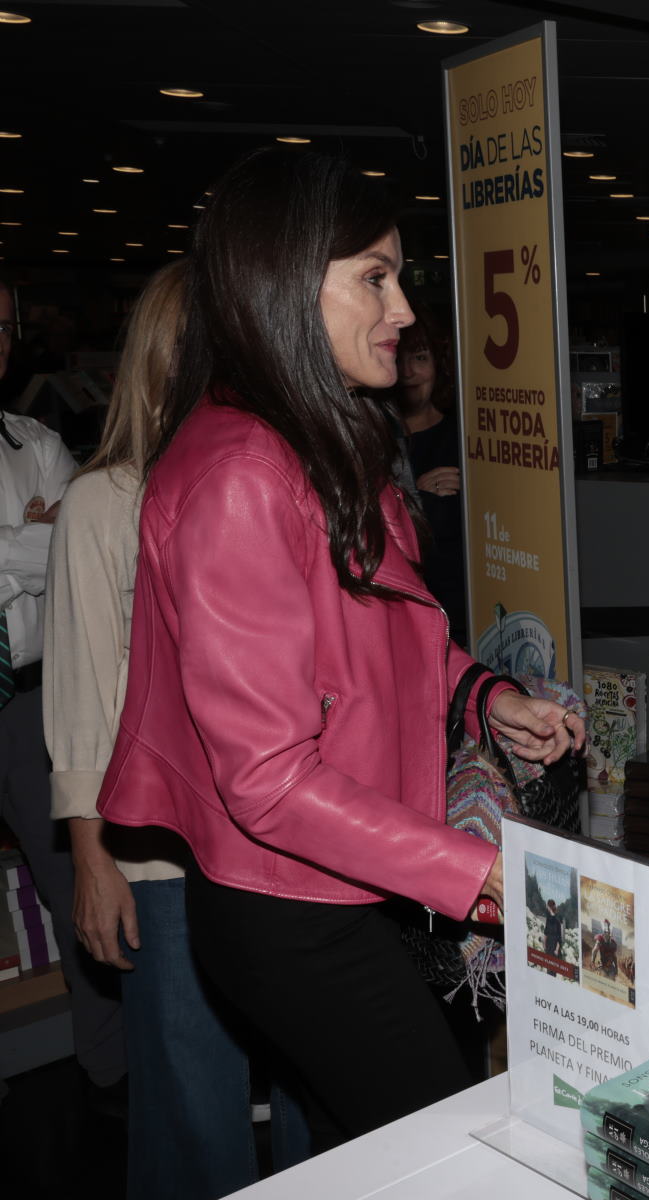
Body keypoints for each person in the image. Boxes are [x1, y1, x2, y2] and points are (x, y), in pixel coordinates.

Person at [95, 148, 585, 1151]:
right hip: (296, 905)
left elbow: (395, 641)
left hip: (362, 877)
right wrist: (470, 871)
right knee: (449, 1148)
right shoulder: (240, 472)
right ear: (282, 285)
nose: (402, 309)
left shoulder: (320, 439)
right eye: (373, 276)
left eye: (398, 275)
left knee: (376, 1155)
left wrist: (486, 696)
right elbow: (268, 778)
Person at [43, 261, 310, 1196]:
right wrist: (89, 858)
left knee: (317, 1095)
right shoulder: (102, 502)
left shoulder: (275, 479)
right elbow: (81, 689)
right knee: (194, 1110)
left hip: (285, 850)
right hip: (162, 860)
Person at [0, 274, 127, 1114]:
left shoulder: (33, 439)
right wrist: (32, 536)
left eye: (7, 324)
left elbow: (80, 544)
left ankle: (111, 1075)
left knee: (75, 883)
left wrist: (34, 538)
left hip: (24, 705)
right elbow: (49, 551)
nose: (1, 338)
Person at [378, 311, 467, 644]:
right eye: (398, 359)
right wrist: (414, 495)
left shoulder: (465, 437)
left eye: (420, 358)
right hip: (399, 621)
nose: (409, 372)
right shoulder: (371, 440)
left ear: (439, 365)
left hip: (462, 616)